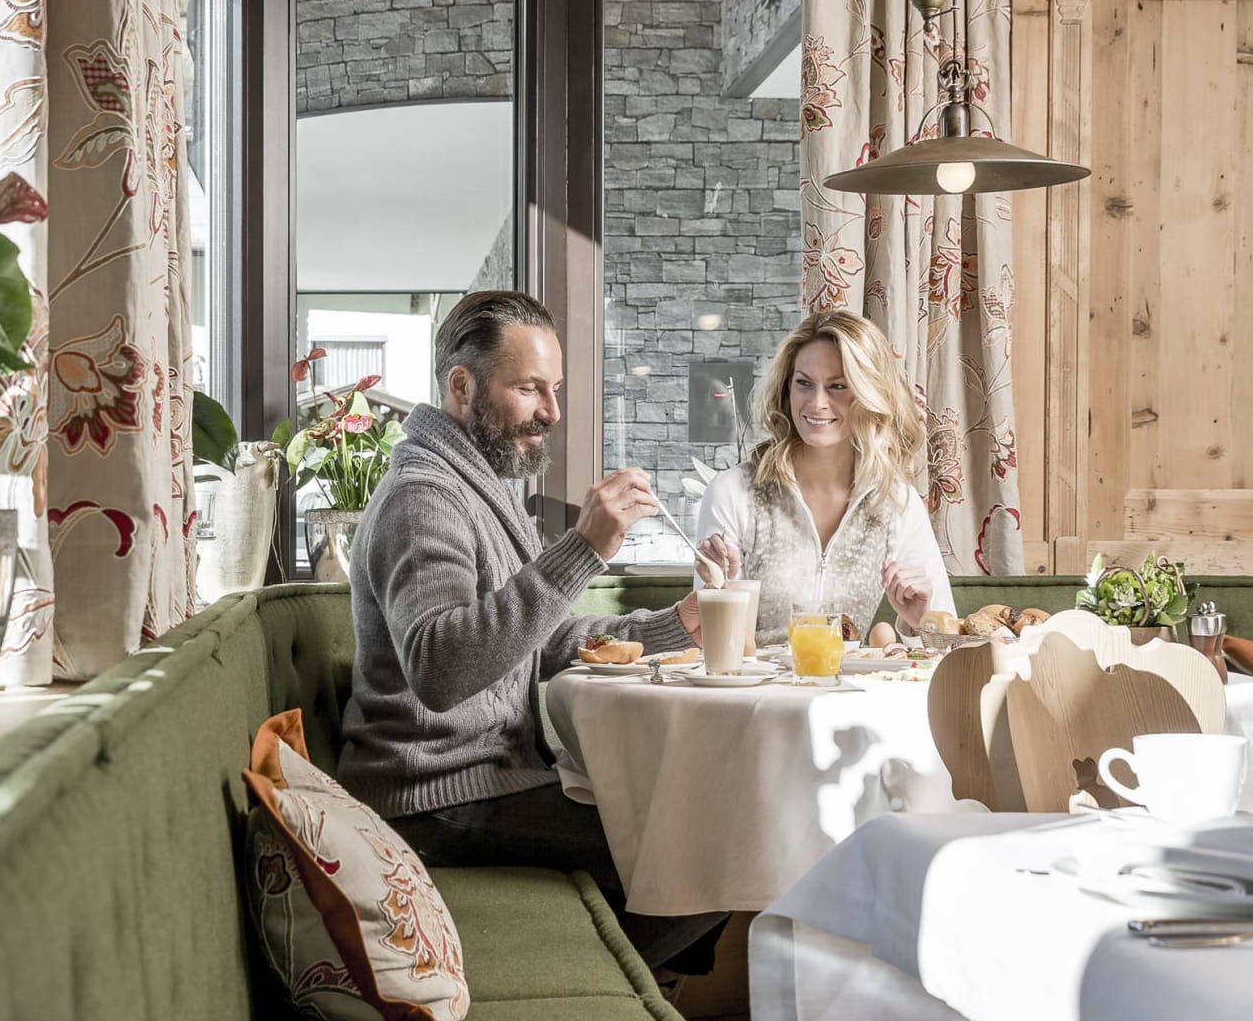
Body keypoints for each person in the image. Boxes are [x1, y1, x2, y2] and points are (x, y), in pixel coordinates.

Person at [339, 290, 729, 972]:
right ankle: (603, 993)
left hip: (492, 780)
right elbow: (441, 669)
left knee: (699, 828)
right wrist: (585, 549)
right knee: (708, 847)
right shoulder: (424, 498)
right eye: (528, 389)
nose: (551, 411)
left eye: (554, 389)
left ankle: (630, 994)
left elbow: (535, 639)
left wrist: (673, 626)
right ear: (462, 386)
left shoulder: (479, 485)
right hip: (435, 802)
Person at [694, 309, 956, 639]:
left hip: (848, 675)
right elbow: (712, 642)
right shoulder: (734, 492)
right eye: (804, 383)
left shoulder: (896, 502)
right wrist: (725, 586)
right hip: (754, 675)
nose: (817, 403)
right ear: (787, 389)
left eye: (837, 386)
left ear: (869, 394)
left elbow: (947, 642)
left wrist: (915, 624)